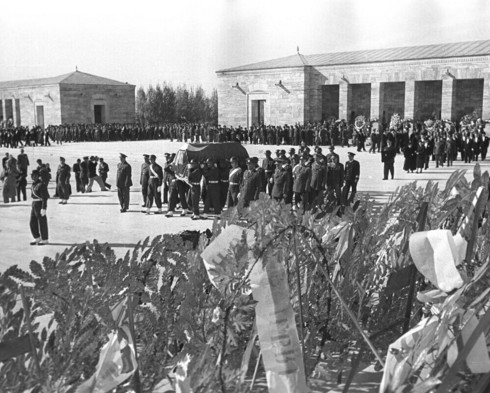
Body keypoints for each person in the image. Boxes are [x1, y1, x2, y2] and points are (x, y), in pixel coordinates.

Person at [29, 169, 49, 245]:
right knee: (32, 222)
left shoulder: (41, 185)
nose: (32, 177)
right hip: (34, 203)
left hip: (39, 204)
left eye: (34, 175)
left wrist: (44, 208)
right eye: (32, 175)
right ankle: (37, 237)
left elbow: (44, 197)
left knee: (42, 222)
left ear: (38, 176)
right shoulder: (33, 184)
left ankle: (45, 239)